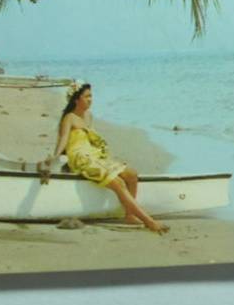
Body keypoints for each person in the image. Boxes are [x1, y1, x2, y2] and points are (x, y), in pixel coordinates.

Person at [52, 82, 169, 234]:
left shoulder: (88, 116)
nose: (90, 99)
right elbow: (63, 139)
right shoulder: (69, 117)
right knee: (118, 182)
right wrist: (54, 158)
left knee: (132, 175)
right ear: (76, 99)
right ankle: (150, 222)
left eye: (91, 96)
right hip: (81, 158)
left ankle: (129, 215)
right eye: (87, 96)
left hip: (94, 156)